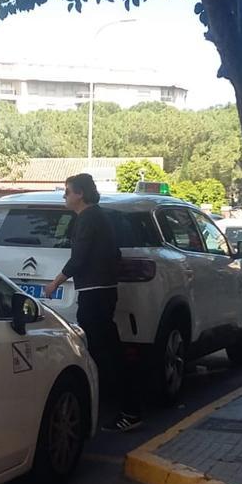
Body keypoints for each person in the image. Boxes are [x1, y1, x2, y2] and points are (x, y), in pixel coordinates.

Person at [43, 174, 140, 432]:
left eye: (67, 192)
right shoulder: (99, 217)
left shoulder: (87, 219)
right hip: (102, 291)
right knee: (108, 351)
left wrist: (55, 282)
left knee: (103, 353)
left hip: (95, 294)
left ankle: (128, 410)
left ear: (80, 194)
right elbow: (113, 253)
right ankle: (124, 408)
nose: (64, 196)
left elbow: (79, 258)